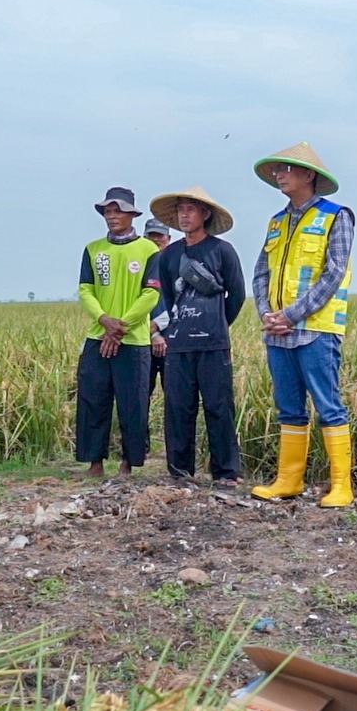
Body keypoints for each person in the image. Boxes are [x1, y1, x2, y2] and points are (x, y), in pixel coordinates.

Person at [249, 142, 356, 508]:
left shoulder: (336, 216)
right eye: (277, 170)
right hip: (277, 332)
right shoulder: (277, 222)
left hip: (317, 329)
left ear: (309, 175)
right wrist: (267, 313)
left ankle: (342, 485)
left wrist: (292, 314)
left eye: (287, 170)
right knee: (289, 407)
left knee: (329, 405)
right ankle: (288, 479)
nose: (280, 175)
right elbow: (261, 272)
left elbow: (334, 273)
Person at [149, 186, 246, 490]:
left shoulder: (222, 251)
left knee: (219, 407)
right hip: (178, 343)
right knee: (178, 408)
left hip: (213, 343)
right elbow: (165, 295)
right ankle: (180, 471)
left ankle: (226, 472)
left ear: (205, 214)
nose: (185, 214)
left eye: (191, 209)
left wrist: (218, 323)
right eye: (181, 210)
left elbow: (237, 294)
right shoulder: (170, 255)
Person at [76, 188, 161, 476]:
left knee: (133, 402)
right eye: (107, 211)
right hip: (97, 336)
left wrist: (119, 327)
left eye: (118, 211)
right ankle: (94, 462)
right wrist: (103, 320)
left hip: (134, 340)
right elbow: (86, 289)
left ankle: (129, 462)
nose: (112, 216)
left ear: (132, 214)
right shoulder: (93, 249)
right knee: (93, 399)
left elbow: (151, 294)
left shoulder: (149, 250)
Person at [144, 217, 172, 399]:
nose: (155, 240)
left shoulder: (175, 263)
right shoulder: (139, 265)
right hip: (143, 337)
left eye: (159, 236)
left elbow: (182, 299)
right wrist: (152, 334)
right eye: (151, 236)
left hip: (172, 337)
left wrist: (159, 326)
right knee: (141, 392)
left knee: (175, 394)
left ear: (168, 238)